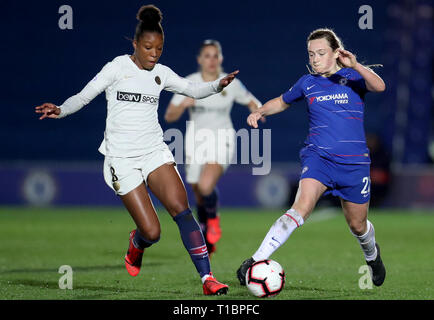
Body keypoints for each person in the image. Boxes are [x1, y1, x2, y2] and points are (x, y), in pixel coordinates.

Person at [35, 4, 240, 295]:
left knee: (182, 209)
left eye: (159, 49)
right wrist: (60, 109)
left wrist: (218, 84)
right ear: (135, 44)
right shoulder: (117, 68)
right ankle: (137, 243)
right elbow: (84, 96)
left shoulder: (162, 73)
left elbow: (192, 89)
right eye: (148, 48)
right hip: (122, 159)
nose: (154, 54)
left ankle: (207, 279)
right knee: (152, 232)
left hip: (154, 151)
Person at [236, 28, 387, 287]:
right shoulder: (307, 83)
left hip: (354, 165)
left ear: (335, 53)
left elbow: (380, 86)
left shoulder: (352, 77)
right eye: (311, 54)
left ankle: (372, 256)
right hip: (319, 159)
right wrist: (261, 110)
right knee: (301, 208)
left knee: (357, 225)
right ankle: (256, 259)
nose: (315, 59)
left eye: (321, 53)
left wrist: (356, 64)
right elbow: (283, 101)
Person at [164, 40, 262, 256]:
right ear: (200, 60)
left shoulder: (229, 83)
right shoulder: (189, 83)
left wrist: (258, 112)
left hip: (222, 138)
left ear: (220, 59)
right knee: (198, 192)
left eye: (215, 56)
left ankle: (213, 219)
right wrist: (183, 105)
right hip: (195, 141)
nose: (211, 60)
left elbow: (251, 100)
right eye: (207, 56)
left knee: (206, 186)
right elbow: (169, 116)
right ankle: (207, 232)